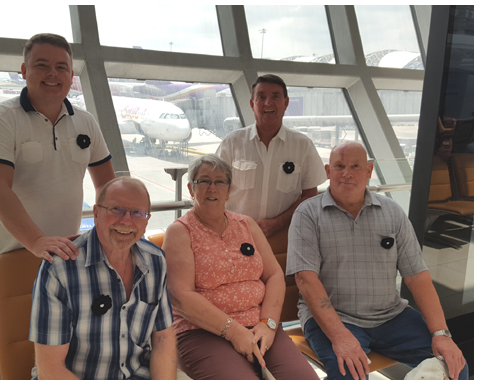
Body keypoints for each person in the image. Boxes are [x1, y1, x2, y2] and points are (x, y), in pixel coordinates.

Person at [286, 142, 468, 380]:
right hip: (336, 318)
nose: (347, 173)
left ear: (369, 171)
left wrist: (441, 334)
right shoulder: (308, 214)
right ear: (328, 172)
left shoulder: (392, 212)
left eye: (355, 166)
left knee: (455, 367)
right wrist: (340, 337)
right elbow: (306, 280)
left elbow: (417, 276)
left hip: (391, 316)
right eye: (339, 166)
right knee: (348, 374)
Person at [0, 33, 115, 306]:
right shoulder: (1, 119)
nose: (53, 73)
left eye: (61, 67)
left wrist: (108, 238)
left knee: (67, 344)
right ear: (24, 71)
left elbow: (108, 188)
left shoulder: (86, 122)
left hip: (66, 256)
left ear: (72, 75)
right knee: (18, 346)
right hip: (11, 257)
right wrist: (36, 241)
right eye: (42, 65)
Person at [162, 154, 319, 380]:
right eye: (204, 181)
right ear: (191, 188)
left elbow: (274, 275)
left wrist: (268, 324)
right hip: (201, 332)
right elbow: (181, 296)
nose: (212, 188)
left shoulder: (246, 225)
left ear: (229, 190)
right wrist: (234, 332)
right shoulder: (179, 232)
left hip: (259, 326)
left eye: (220, 182)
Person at [29, 177, 177, 380]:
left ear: (146, 220)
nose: (126, 221)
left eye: (137, 213)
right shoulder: (60, 269)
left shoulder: (156, 260)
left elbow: (163, 339)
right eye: (116, 209)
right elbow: (50, 371)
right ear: (97, 213)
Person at [216, 74, 326, 238]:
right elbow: (214, 190)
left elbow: (310, 195)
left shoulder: (303, 145)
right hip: (236, 235)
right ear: (252, 104)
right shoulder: (232, 143)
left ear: (286, 103)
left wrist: (278, 223)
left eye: (275, 96)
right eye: (261, 97)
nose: (268, 103)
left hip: (284, 236)